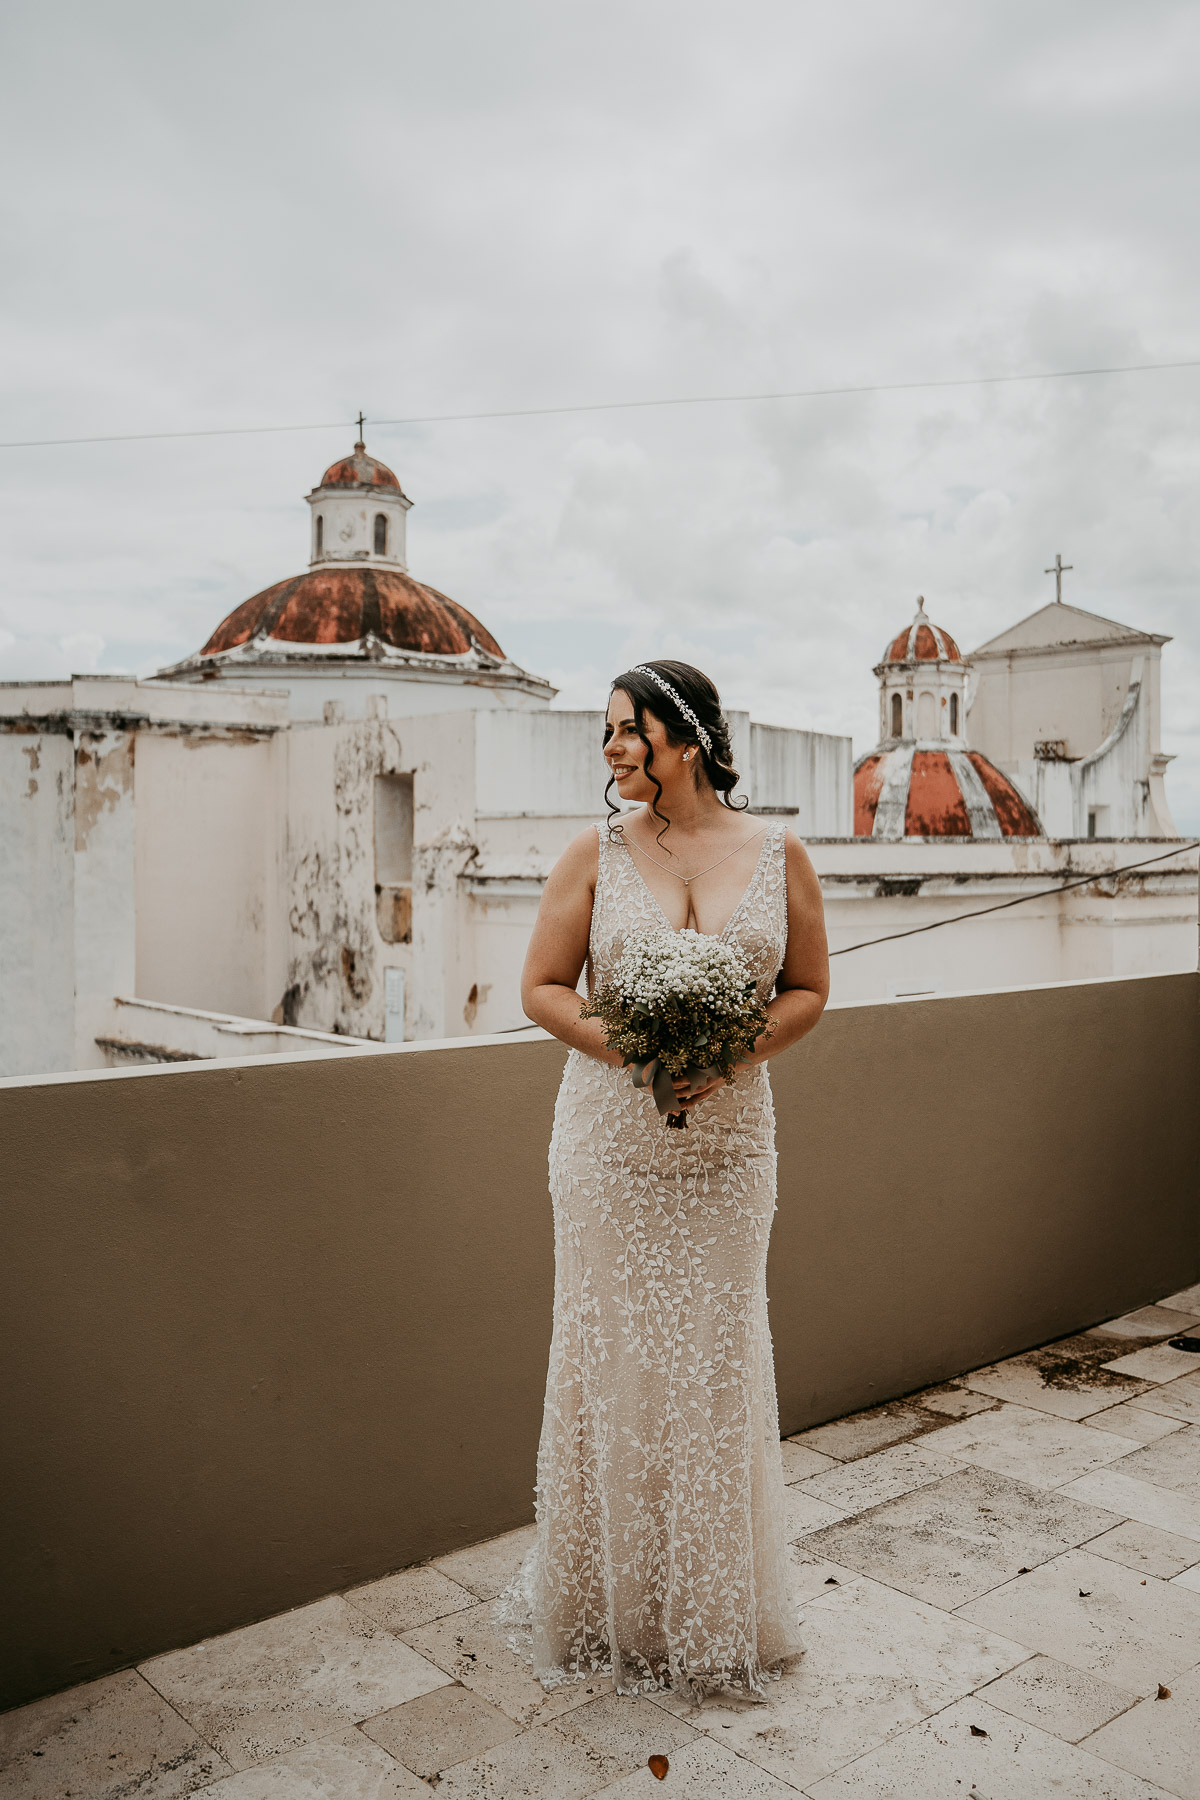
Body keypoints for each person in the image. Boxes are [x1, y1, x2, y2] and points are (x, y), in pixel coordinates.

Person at [499, 660, 829, 1702]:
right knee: (613, 1360)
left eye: (627, 730)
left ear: (686, 736)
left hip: (731, 1152)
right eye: (606, 733)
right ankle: (610, 1605)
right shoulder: (591, 853)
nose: (611, 750)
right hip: (607, 1148)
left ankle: (713, 1605)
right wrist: (634, 1054)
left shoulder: (780, 853)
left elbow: (812, 989)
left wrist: (726, 1059)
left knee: (716, 1362)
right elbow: (542, 989)